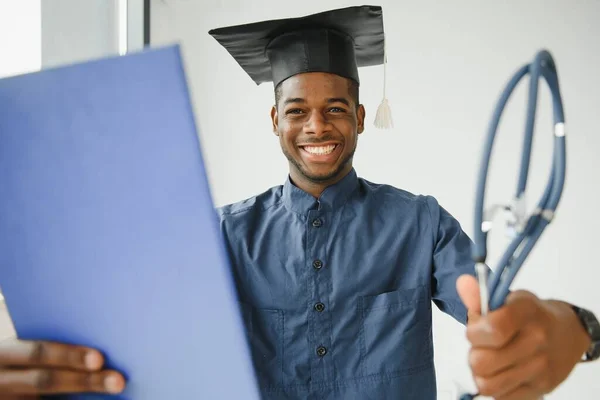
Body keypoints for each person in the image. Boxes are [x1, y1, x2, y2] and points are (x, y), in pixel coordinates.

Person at [0, 5, 597, 400]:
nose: (317, 126)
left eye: (336, 108)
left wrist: (571, 327)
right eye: (297, 111)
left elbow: (496, 313)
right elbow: (145, 333)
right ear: (275, 121)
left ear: (360, 117)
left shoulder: (421, 224)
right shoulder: (222, 237)